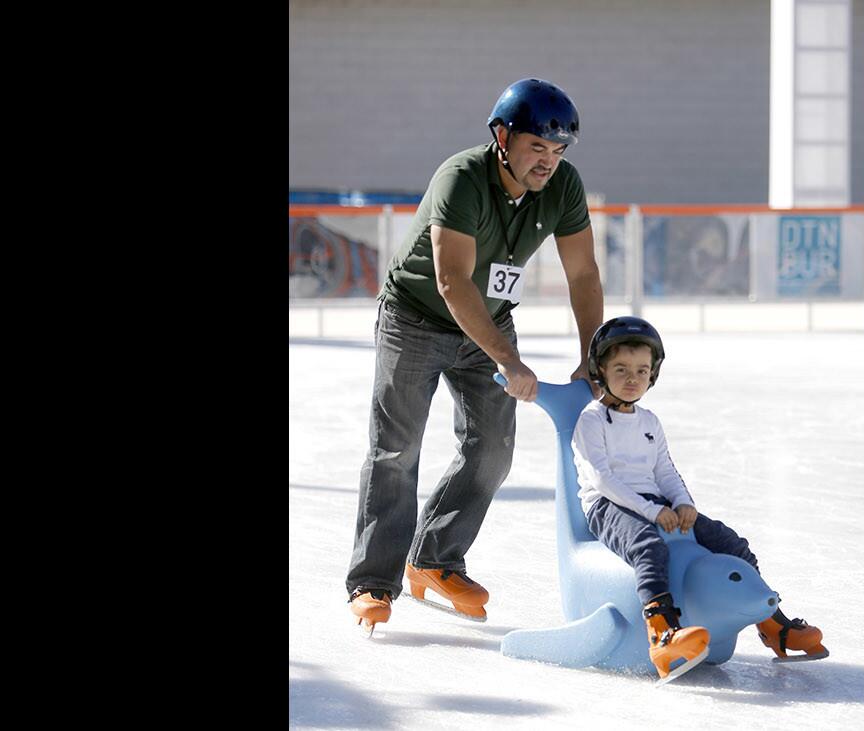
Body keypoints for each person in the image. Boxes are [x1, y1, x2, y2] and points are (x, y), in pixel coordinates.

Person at [346, 78, 605, 633]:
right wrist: (509, 361)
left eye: (559, 151)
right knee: (396, 449)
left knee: (492, 449)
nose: (549, 163)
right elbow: (451, 281)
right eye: (537, 147)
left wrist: (592, 355)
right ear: (502, 136)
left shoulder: (564, 187)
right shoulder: (461, 178)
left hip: (490, 321)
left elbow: (582, 273)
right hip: (416, 318)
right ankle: (373, 580)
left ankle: (435, 559)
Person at [572, 316, 828, 681]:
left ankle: (774, 626)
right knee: (648, 546)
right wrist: (651, 510)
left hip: (655, 500)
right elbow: (602, 478)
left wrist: (682, 503)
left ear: (653, 373)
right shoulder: (591, 421)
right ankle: (663, 633)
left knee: (731, 543)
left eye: (642, 370)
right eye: (621, 369)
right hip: (606, 505)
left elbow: (665, 472)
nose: (633, 379)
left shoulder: (649, 421)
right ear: (601, 369)